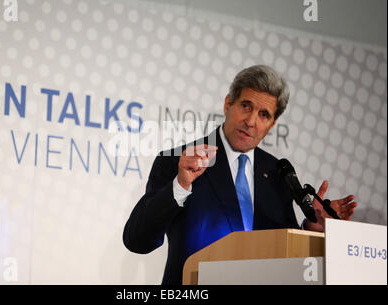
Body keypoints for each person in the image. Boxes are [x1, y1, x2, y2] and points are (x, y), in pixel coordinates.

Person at [123, 65, 357, 285]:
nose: (251, 121)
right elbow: (137, 240)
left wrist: (311, 228)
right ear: (228, 105)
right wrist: (180, 185)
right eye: (246, 106)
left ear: (273, 124)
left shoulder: (278, 173)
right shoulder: (178, 161)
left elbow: (284, 253)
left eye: (264, 114)